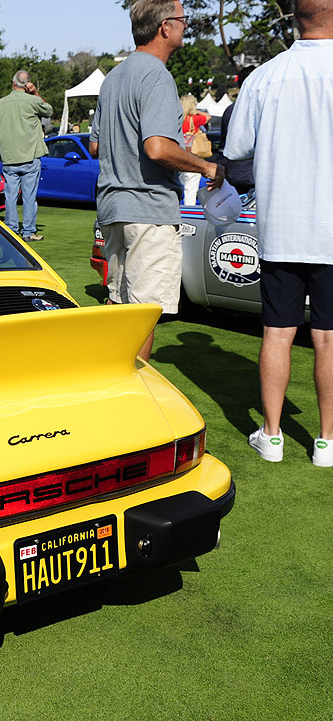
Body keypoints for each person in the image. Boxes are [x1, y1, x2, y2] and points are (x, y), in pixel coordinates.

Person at [224, 0, 333, 466]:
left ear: (293, 17)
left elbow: (236, 149)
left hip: (282, 227)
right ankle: (326, 441)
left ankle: (272, 436)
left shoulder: (265, 75)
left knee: (278, 332)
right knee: (328, 338)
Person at [89, 0, 224, 361]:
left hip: (113, 207)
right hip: (148, 209)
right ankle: (131, 406)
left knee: (120, 311)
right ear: (165, 26)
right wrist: (207, 167)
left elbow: (96, 143)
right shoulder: (157, 75)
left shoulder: (114, 77)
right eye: (183, 19)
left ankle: (114, 397)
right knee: (142, 318)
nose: (185, 26)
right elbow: (158, 147)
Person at [0, 70, 53, 241]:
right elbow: (48, 111)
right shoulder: (32, 100)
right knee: (29, 196)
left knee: (10, 196)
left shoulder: (2, 103)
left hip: (9, 156)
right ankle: (28, 231)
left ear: (13, 83)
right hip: (30, 155)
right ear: (26, 84)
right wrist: (35, 93)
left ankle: (11, 229)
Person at [219, 66, 256, 194]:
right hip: (253, 176)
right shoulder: (259, 108)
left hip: (233, 173)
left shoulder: (230, 110)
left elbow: (225, 143)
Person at [179, 93, 209, 205]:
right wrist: (196, 111)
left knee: (180, 184)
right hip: (192, 156)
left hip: (179, 155)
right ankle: (188, 212)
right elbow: (208, 117)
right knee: (191, 188)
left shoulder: (178, 119)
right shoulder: (195, 119)